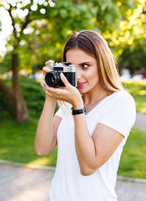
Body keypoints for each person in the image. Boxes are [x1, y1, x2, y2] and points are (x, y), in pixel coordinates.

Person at [35, 30, 136, 201]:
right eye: (72, 67)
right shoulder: (70, 100)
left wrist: (77, 107)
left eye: (85, 66)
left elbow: (88, 166)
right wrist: (51, 97)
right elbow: (42, 148)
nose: (78, 76)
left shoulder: (120, 103)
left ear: (102, 64)